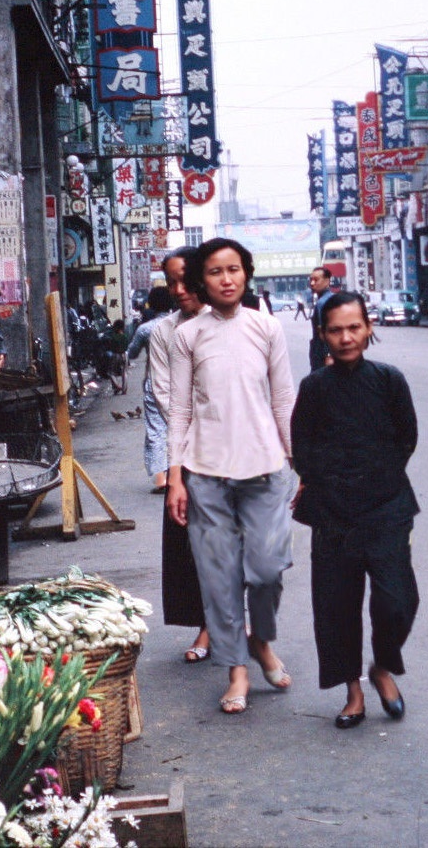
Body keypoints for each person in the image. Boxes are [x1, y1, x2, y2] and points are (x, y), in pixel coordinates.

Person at [167, 238, 297, 714]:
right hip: (206, 472)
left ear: (247, 274)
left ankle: (261, 639)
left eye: (235, 270)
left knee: (266, 568)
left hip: (265, 468)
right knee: (219, 577)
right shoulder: (189, 335)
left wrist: (298, 462)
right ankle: (237, 669)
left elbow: (283, 399)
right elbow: (178, 409)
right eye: (217, 271)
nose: (227, 279)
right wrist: (175, 477)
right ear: (202, 279)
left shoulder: (266, 327)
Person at [291, 292, 418, 729]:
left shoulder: (389, 379)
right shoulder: (313, 389)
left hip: (386, 506)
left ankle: (383, 666)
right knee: (336, 605)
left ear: (368, 328)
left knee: (397, 600)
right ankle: (353, 690)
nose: (345, 338)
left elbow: (406, 439)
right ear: (323, 335)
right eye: (335, 330)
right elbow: (302, 448)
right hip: (332, 513)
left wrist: (375, 478)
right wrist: (327, 481)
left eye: (353, 328)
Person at [149, 249, 211, 663]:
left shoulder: (229, 322)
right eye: (171, 282)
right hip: (187, 450)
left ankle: (226, 621)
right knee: (192, 540)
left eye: (185, 279)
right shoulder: (163, 332)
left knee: (235, 541)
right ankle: (209, 624)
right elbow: (165, 394)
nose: (179, 289)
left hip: (233, 448)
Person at [128, 285, 178, 491]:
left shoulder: (146, 329)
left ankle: (162, 480)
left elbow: (131, 353)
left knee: (157, 430)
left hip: (155, 383)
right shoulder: (182, 325)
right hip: (181, 382)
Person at [307, 267, 335, 372]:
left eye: (316, 280)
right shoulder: (330, 298)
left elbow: (327, 330)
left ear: (327, 281)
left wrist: (328, 355)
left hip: (321, 354)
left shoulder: (322, 303)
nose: (312, 283)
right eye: (311, 280)